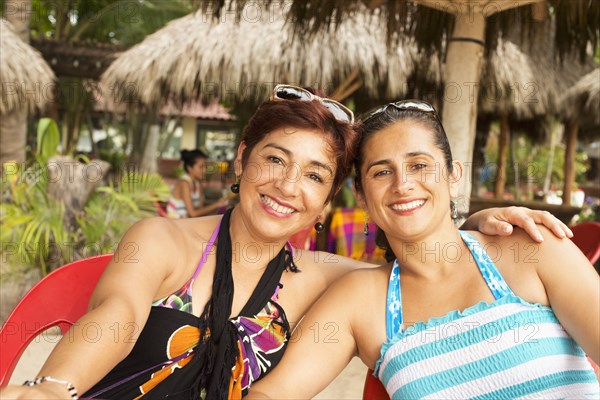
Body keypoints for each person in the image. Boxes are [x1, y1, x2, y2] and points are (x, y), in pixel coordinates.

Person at [1, 89, 573, 400]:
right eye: (275, 160)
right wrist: (54, 388)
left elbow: (425, 256)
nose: (287, 187)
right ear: (243, 159)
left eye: (314, 176)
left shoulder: (323, 277)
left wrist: (470, 224)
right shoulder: (161, 238)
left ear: (326, 202)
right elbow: (118, 315)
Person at [246, 100, 599, 399]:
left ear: (453, 176)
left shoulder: (532, 247)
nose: (403, 184)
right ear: (364, 197)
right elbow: (270, 393)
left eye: (419, 165)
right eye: (382, 172)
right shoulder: (361, 301)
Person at [166, 149, 229, 218]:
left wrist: (218, 205)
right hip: (175, 223)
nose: (204, 170)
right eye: (200, 167)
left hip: (187, 221)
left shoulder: (198, 183)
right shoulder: (184, 183)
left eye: (205, 166)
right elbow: (193, 213)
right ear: (190, 168)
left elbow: (200, 211)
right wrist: (216, 205)